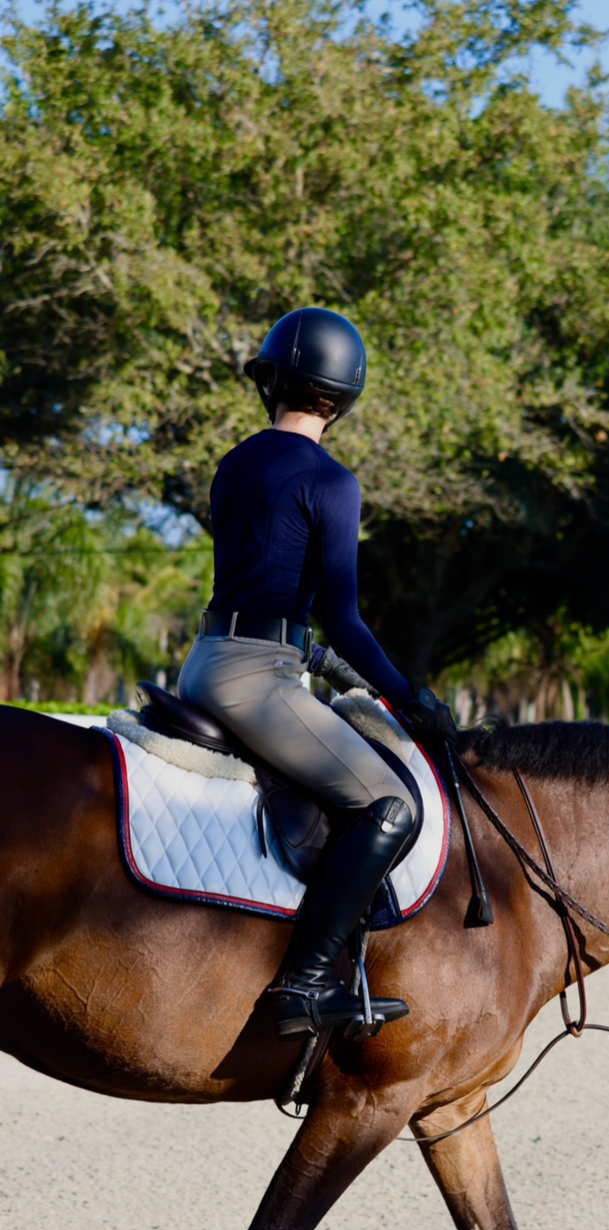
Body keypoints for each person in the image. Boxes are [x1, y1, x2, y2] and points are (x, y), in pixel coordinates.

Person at [177, 307, 454, 1040]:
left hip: (204, 662)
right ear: (340, 399)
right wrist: (409, 696)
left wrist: (324, 667)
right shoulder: (331, 481)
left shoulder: (236, 461)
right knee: (391, 804)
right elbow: (343, 617)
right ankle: (301, 988)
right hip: (256, 682)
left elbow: (265, 588)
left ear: (271, 383)